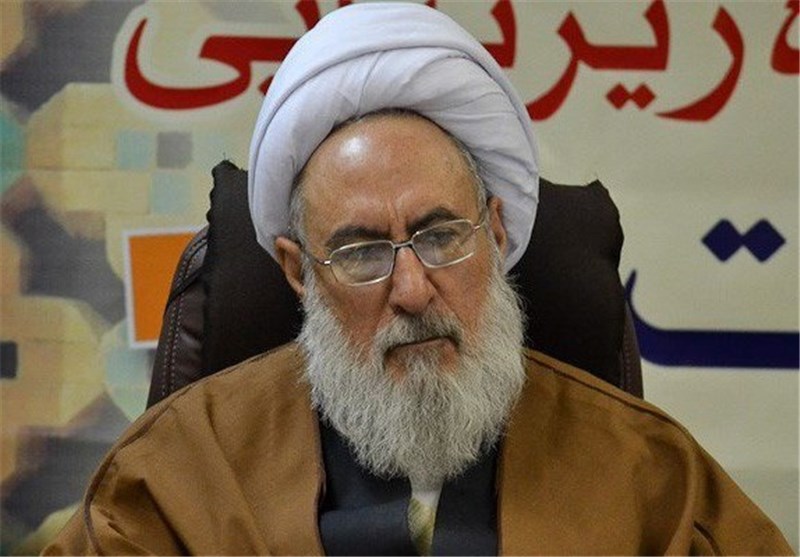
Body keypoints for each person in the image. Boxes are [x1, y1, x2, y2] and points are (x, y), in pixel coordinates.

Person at [45, 3, 791, 555]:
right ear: (299, 272)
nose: (411, 290)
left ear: (496, 233)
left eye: (440, 236)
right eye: (362, 251)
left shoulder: (650, 478)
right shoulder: (177, 475)